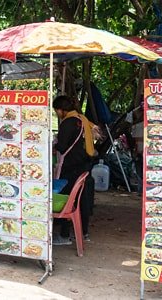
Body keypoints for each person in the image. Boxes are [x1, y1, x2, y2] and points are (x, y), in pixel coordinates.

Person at [52, 95, 96, 245]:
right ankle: (83, 232)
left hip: (71, 165)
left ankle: (64, 235)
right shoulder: (81, 120)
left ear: (61, 110)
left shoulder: (68, 123)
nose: (57, 114)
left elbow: (63, 146)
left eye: (56, 111)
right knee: (81, 199)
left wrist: (54, 144)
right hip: (83, 163)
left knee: (67, 198)